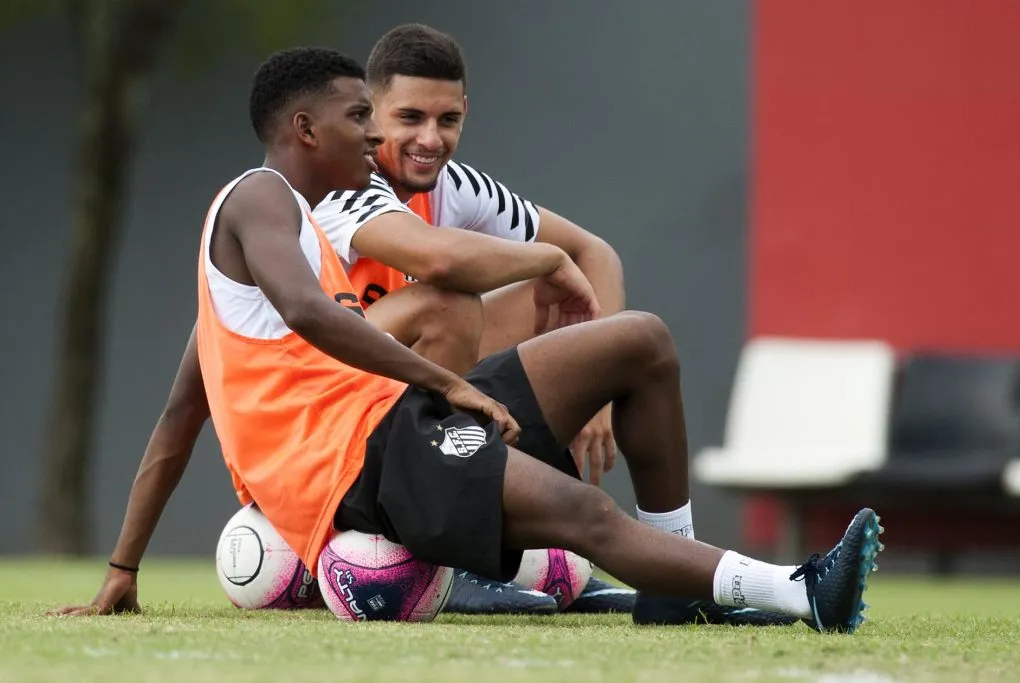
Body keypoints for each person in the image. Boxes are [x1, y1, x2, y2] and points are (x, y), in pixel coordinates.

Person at [50, 47, 882, 637]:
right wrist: (450, 383)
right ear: (304, 129)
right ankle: (803, 590)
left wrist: (123, 569)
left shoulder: (279, 240)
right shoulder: (259, 197)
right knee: (582, 512)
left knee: (640, 341)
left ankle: (679, 585)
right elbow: (312, 314)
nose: (374, 134)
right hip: (359, 464)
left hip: (394, 419)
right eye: (359, 116)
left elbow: (179, 418)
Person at [313, 23, 632, 616]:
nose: (430, 139)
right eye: (410, 117)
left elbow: (597, 255)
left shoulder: (454, 186)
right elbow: (439, 260)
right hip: (330, 431)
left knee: (547, 299)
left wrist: (598, 399)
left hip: (404, 412)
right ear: (369, 113)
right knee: (449, 302)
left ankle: (540, 542)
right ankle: (446, 549)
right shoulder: (341, 186)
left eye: (448, 120)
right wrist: (549, 259)